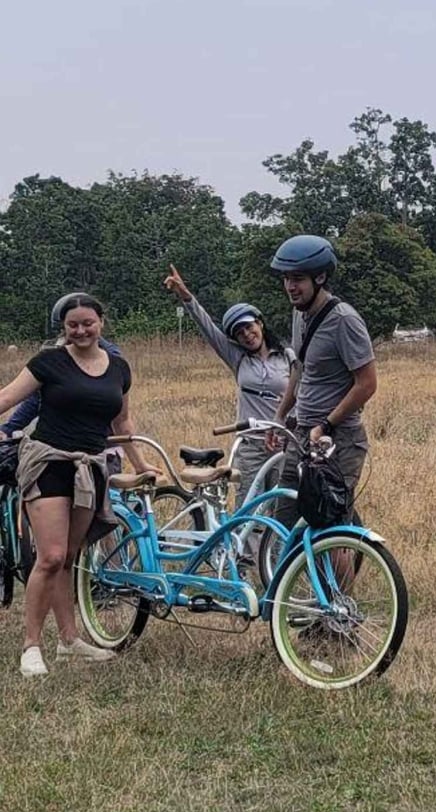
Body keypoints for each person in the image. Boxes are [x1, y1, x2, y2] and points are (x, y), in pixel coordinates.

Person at [0, 293, 153, 676]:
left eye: (88, 323)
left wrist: (142, 464)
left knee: (70, 556)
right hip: (49, 462)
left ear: (101, 323)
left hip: (91, 468)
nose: (81, 330)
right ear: (64, 329)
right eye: (73, 325)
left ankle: (69, 641)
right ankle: (31, 646)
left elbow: (122, 424)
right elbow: (6, 398)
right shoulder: (48, 363)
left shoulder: (119, 368)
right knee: (50, 557)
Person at [265, 235, 376, 525]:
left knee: (331, 527)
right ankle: (282, 571)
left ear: (321, 277)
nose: (290, 287)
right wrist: (279, 416)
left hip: (337, 439)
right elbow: (299, 370)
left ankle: (336, 572)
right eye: (286, 278)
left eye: (298, 278)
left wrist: (326, 424)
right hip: (302, 434)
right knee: (284, 520)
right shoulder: (299, 315)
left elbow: (367, 383)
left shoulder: (344, 320)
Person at [163, 265, 293, 501]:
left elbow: (302, 393)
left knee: (280, 507)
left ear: (260, 324)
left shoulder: (287, 357)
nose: (246, 334)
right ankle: (245, 541)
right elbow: (208, 328)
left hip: (282, 444)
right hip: (251, 446)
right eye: (239, 332)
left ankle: (276, 541)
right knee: (248, 506)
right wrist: (185, 294)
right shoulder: (238, 357)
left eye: (248, 326)